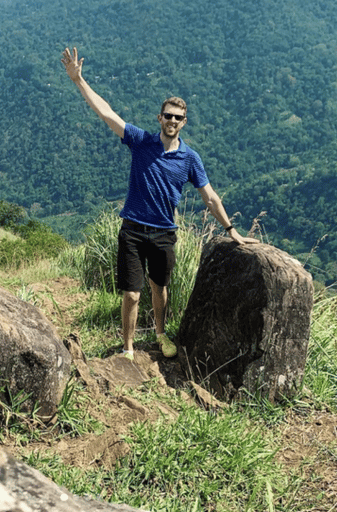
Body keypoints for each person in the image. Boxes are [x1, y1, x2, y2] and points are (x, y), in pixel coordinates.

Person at [61, 46, 258, 359]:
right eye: (168, 116)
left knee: (160, 289)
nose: (172, 121)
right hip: (133, 230)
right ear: (160, 118)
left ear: (184, 122)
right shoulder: (141, 141)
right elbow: (107, 113)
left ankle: (161, 335)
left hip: (164, 232)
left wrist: (231, 229)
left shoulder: (190, 158)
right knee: (131, 293)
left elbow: (210, 196)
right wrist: (79, 81)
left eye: (177, 118)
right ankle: (127, 349)